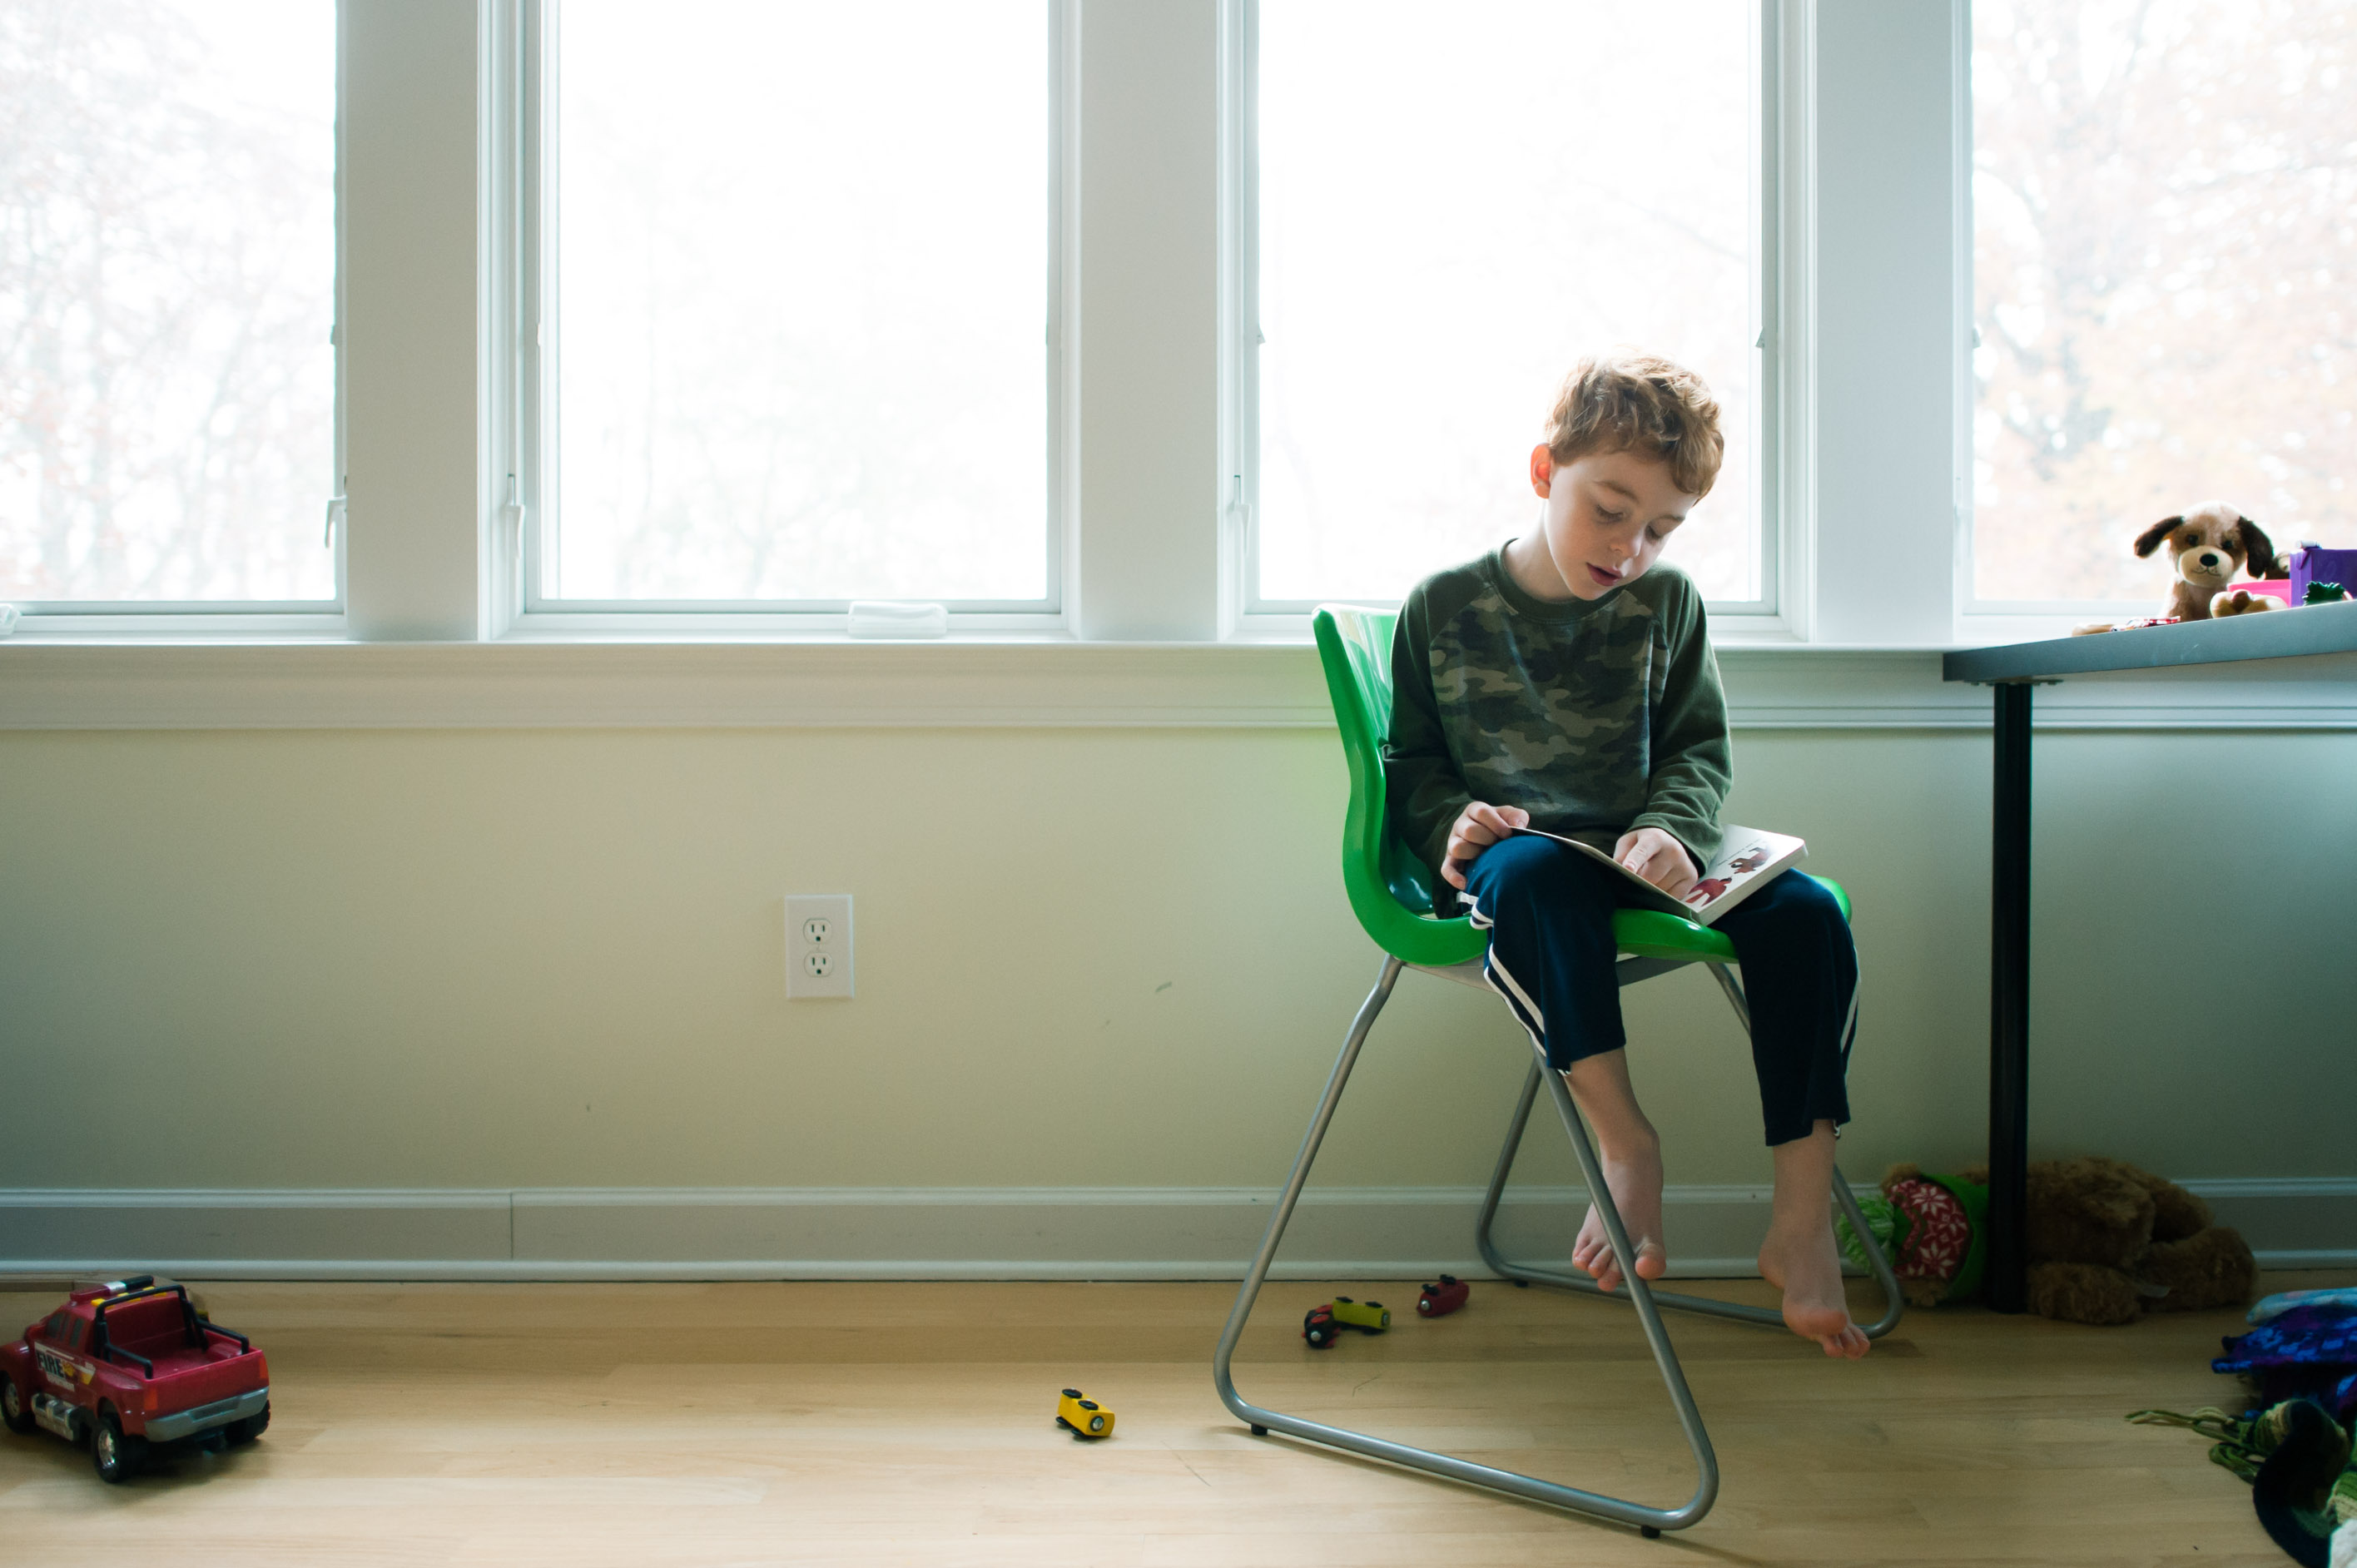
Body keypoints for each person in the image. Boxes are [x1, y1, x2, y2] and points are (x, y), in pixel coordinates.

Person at [1383, 351, 1869, 1358]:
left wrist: (1672, 832)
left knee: (1809, 911)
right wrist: (1456, 827)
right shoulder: (1441, 608)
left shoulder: (1667, 606)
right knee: (1527, 874)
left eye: (1661, 528)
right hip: (1528, 870)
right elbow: (1416, 766)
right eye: (1610, 510)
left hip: (1649, 864)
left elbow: (1697, 749)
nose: (1631, 547)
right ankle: (1625, 1143)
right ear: (1542, 472)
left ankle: (1803, 1212)